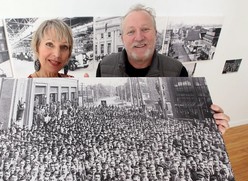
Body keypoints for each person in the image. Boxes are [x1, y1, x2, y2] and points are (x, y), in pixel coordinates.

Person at [96, 3, 230, 135]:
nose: (139, 37)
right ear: (122, 38)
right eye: (131, 31)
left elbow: (188, 117)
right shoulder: (104, 66)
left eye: (145, 29)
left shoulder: (177, 70)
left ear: (155, 34)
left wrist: (212, 126)